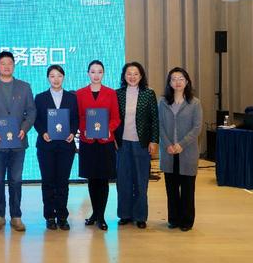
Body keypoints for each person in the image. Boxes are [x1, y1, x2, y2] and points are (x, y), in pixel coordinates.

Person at [0, 51, 36, 232]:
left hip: (18, 142)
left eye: (9, 63)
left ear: (14, 65)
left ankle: (16, 216)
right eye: (3, 63)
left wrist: (24, 129)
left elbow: (31, 112)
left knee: (16, 180)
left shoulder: (24, 87)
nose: (6, 66)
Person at [76, 60, 121, 231]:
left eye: (99, 72)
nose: (96, 75)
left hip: (105, 142)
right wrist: (84, 129)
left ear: (103, 73)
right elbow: (79, 117)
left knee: (103, 180)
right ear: (88, 73)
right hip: (88, 142)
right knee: (92, 179)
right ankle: (94, 213)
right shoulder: (80, 94)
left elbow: (116, 118)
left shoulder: (111, 93)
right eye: (93, 71)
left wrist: (108, 130)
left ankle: (101, 216)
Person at [34, 65, 79, 231]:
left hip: (66, 146)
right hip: (46, 145)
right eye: (52, 76)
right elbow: (36, 119)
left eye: (59, 75)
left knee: (62, 182)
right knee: (48, 181)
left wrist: (72, 132)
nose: (56, 79)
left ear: (63, 77)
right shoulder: (40, 98)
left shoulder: (71, 98)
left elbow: (75, 119)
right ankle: (49, 216)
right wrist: (43, 132)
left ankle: (62, 216)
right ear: (48, 78)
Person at [115, 62, 159, 229]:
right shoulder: (118, 94)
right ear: (124, 76)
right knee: (123, 180)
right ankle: (125, 214)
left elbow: (154, 119)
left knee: (141, 181)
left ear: (141, 76)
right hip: (122, 143)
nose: (132, 77)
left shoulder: (148, 94)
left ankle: (140, 216)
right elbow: (113, 118)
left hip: (142, 143)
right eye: (129, 74)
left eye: (135, 74)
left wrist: (154, 140)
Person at [159, 67, 202, 231]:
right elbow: (160, 125)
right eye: (174, 79)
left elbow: (197, 128)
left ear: (187, 82)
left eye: (181, 79)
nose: (177, 82)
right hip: (169, 152)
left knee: (187, 189)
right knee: (171, 189)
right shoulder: (163, 102)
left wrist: (181, 144)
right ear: (169, 83)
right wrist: (168, 144)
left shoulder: (195, 103)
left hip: (187, 152)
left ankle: (187, 221)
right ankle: (174, 219)